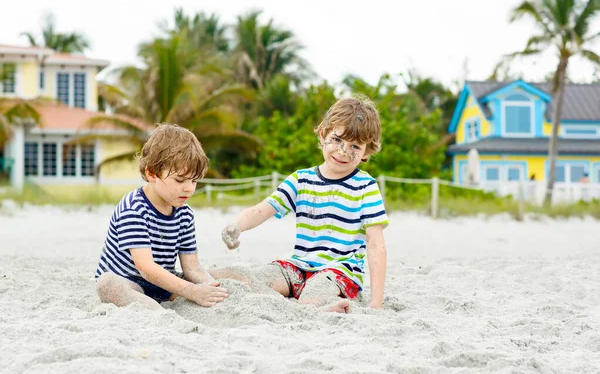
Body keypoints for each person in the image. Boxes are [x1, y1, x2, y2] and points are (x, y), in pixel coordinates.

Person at [213, 96, 389, 313]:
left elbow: (376, 245)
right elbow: (263, 209)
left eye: (354, 146)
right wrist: (236, 226)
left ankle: (327, 309)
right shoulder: (301, 179)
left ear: (366, 151)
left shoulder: (366, 187)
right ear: (323, 134)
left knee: (311, 297)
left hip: (339, 272)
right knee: (253, 278)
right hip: (299, 266)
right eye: (337, 140)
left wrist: (376, 304)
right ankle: (193, 279)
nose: (343, 151)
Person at [95, 123, 228, 310]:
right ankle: (155, 312)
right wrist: (192, 292)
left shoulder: (184, 212)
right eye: (180, 180)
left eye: (194, 180)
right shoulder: (134, 208)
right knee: (106, 283)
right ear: (152, 173)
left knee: (231, 274)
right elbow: (145, 267)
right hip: (129, 281)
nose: (189, 188)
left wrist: (212, 288)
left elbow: (192, 268)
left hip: (164, 282)